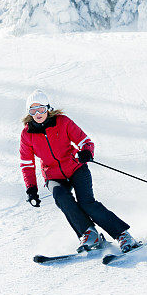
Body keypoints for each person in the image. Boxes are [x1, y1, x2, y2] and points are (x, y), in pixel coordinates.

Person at [19, 89, 137, 253]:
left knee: (87, 203)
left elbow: (84, 140)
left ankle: (123, 235)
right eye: (33, 110)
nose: (38, 113)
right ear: (29, 112)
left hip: (76, 167)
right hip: (53, 175)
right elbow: (27, 163)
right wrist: (31, 188)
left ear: (48, 108)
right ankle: (89, 234)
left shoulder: (62, 122)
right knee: (62, 198)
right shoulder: (27, 134)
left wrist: (86, 151)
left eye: (41, 109)